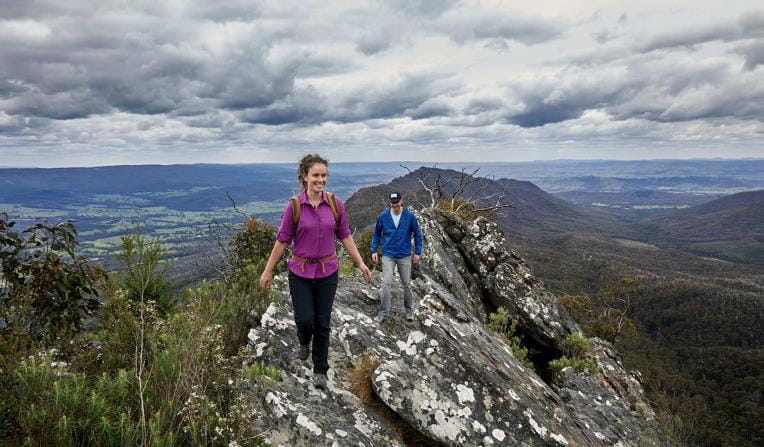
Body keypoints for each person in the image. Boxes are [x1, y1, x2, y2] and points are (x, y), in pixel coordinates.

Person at [259, 154, 372, 389]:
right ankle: (303, 340)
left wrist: (360, 263)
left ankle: (320, 368)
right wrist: (267, 271)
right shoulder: (294, 207)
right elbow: (281, 241)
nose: (320, 180)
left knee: (323, 321)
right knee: (305, 319)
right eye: (316, 175)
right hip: (299, 271)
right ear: (305, 177)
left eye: (324, 175)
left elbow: (345, 236)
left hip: (327, 272)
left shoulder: (335, 204)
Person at [371, 192, 423, 322]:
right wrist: (374, 250)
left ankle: (409, 311)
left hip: (404, 255)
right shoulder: (383, 216)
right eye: (392, 202)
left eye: (396, 202)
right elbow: (376, 233)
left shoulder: (409, 216)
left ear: (401, 201)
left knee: (407, 284)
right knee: (386, 283)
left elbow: (417, 234)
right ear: (390, 202)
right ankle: (383, 312)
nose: (394, 205)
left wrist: (417, 252)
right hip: (388, 255)